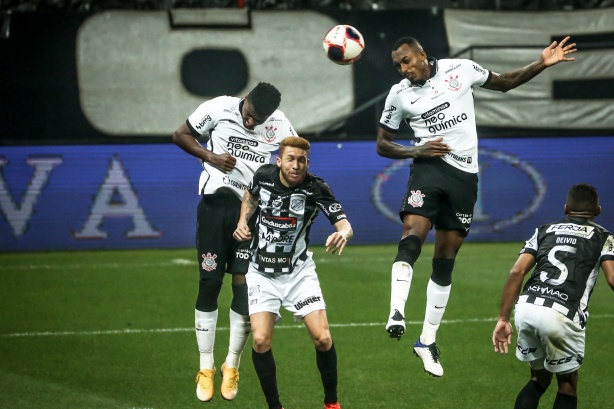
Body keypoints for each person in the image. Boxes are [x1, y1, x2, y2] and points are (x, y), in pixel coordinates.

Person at [376, 35, 578, 377]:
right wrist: (416, 151)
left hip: (464, 177)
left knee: (445, 262)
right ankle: (396, 311)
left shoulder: (461, 69)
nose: (404, 69)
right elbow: (383, 143)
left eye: (407, 61)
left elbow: (504, 83)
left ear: (422, 54)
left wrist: (543, 63)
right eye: (398, 65)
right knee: (412, 235)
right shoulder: (399, 95)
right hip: (428, 168)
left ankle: (426, 341)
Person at [172, 82, 297, 402]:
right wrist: (210, 156)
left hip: (251, 214)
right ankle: (206, 367)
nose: (253, 123)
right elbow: (180, 135)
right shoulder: (219, 107)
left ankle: (232, 365)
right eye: (251, 115)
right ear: (245, 101)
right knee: (210, 282)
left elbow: (295, 157)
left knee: (245, 287)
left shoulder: (280, 124)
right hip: (214, 209)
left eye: (260, 119)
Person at [233, 136, 352, 409]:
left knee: (323, 339)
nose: (296, 165)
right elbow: (250, 195)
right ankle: (275, 406)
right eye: (291, 159)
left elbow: (344, 223)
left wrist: (343, 233)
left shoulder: (316, 188)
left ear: (307, 163)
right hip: (261, 272)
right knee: (261, 340)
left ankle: (332, 403)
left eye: (301, 160)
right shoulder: (263, 176)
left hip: (298, 273)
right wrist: (243, 220)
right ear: (279, 161)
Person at [492, 183, 614, 409]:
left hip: (527, 307)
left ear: (566, 208)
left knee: (539, 378)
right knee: (567, 383)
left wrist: (503, 319)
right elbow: (612, 279)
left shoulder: (544, 230)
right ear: (598, 211)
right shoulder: (604, 236)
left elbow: (517, 271)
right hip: (562, 313)